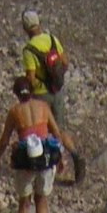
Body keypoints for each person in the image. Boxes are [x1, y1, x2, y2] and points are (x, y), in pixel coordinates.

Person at [0, 75, 76, 213]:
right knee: (41, 199)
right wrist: (60, 157)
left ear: (16, 94)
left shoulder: (15, 112)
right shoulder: (43, 107)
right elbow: (56, 132)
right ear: (31, 90)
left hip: (26, 163)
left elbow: (5, 139)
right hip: (45, 159)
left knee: (24, 202)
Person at [20, 9, 73, 138]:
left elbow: (31, 79)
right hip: (58, 90)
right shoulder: (52, 39)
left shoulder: (29, 50)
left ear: (25, 28)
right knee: (60, 130)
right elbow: (65, 62)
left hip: (41, 95)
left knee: (42, 131)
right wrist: (57, 77)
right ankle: (72, 155)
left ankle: (47, 157)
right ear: (39, 22)